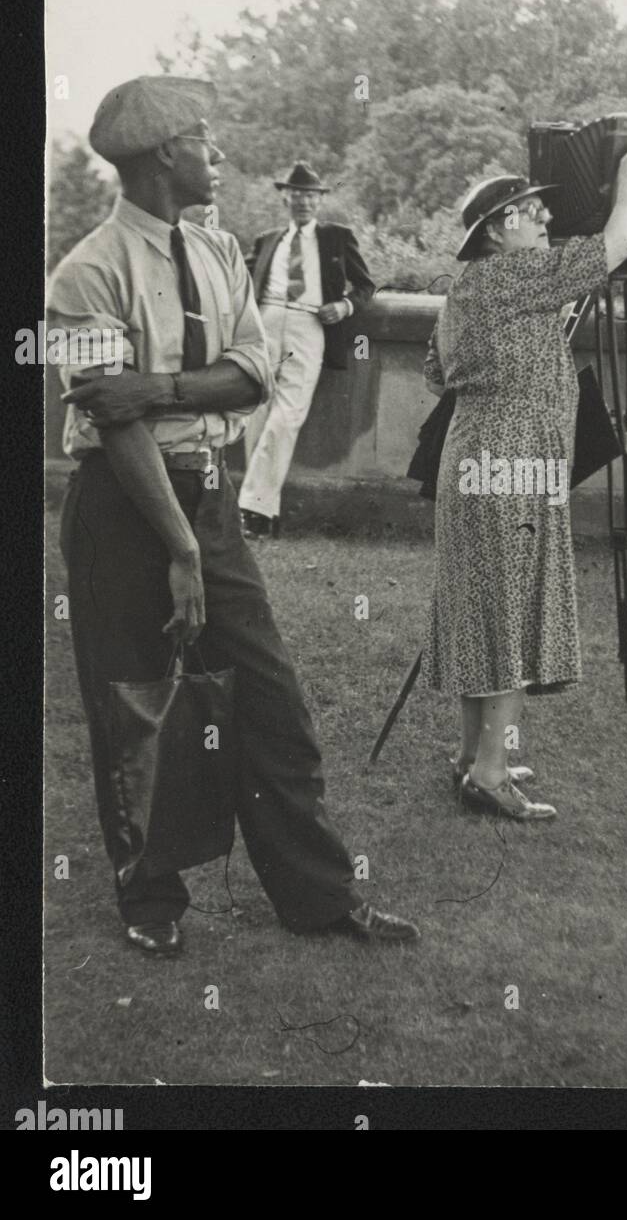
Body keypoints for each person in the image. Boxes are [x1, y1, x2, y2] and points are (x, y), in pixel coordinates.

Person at [47, 76, 418, 955]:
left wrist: (163, 388)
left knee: (270, 699)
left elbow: (255, 368)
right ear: (164, 155)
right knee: (134, 705)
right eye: (205, 140)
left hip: (206, 496)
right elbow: (110, 416)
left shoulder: (216, 253)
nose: (219, 155)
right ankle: (151, 903)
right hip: (122, 510)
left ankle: (320, 897)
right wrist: (178, 548)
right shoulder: (83, 272)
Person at [422, 152, 627, 820]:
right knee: (509, 614)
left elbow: (435, 373)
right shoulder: (514, 273)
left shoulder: (471, 285)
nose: (546, 215)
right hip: (510, 466)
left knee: (486, 612)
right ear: (498, 231)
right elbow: (621, 244)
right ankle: (490, 774)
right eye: (529, 211)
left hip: (477, 459)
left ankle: (472, 757)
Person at [238, 161, 375, 538]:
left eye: (310, 196)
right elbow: (241, 282)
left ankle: (252, 509)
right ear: (285, 197)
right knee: (255, 417)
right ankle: (260, 513)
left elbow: (365, 286)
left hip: (308, 325)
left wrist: (344, 306)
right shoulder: (268, 240)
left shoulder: (336, 237)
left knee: (286, 418)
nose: (303, 202)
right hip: (265, 323)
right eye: (296, 195)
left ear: (320, 200)